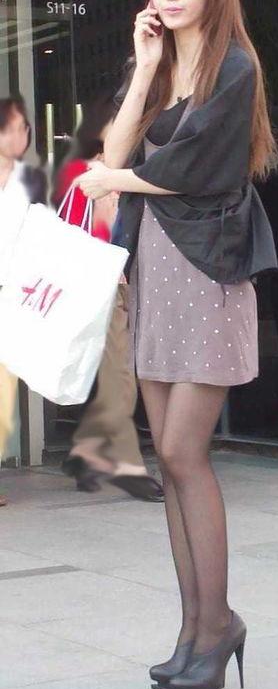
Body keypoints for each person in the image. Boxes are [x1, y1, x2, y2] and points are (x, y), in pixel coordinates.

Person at [73, 0, 278, 689]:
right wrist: (146, 67)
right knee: (167, 456)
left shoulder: (236, 67)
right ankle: (194, 630)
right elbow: (116, 148)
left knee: (187, 452)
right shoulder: (161, 61)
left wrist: (114, 182)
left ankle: (218, 623)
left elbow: (199, 172)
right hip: (157, 267)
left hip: (210, 267)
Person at [53, 96, 163, 501]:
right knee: (119, 377)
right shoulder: (88, 174)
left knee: (109, 375)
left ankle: (84, 456)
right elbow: (77, 232)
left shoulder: (125, 173)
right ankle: (128, 468)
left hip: (128, 283)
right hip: (103, 285)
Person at [0, 96, 46, 507]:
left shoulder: (29, 180)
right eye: (14, 128)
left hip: (13, 294)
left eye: (25, 128)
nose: (23, 134)